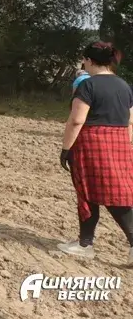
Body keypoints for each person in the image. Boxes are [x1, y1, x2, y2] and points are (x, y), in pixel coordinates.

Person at [58, 42, 133, 263]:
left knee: (88, 193)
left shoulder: (88, 86)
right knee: (118, 195)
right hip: (120, 142)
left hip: (92, 143)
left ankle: (85, 244)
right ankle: (92, 242)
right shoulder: (124, 86)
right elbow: (130, 121)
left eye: (85, 61)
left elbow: (77, 120)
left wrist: (66, 149)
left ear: (89, 60)